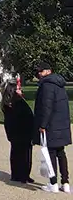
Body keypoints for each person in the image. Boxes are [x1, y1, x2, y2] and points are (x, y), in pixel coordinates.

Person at [33, 61, 71, 193]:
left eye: (41, 71)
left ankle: (53, 182)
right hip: (61, 123)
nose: (39, 74)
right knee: (61, 153)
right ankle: (65, 182)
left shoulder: (47, 85)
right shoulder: (59, 84)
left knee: (51, 154)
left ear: (48, 71)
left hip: (51, 124)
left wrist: (42, 125)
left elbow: (46, 107)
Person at [1, 82, 34, 184]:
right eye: (18, 89)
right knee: (22, 154)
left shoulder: (11, 102)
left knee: (20, 153)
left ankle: (20, 174)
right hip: (21, 131)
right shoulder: (16, 103)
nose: (21, 90)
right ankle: (21, 174)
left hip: (17, 131)